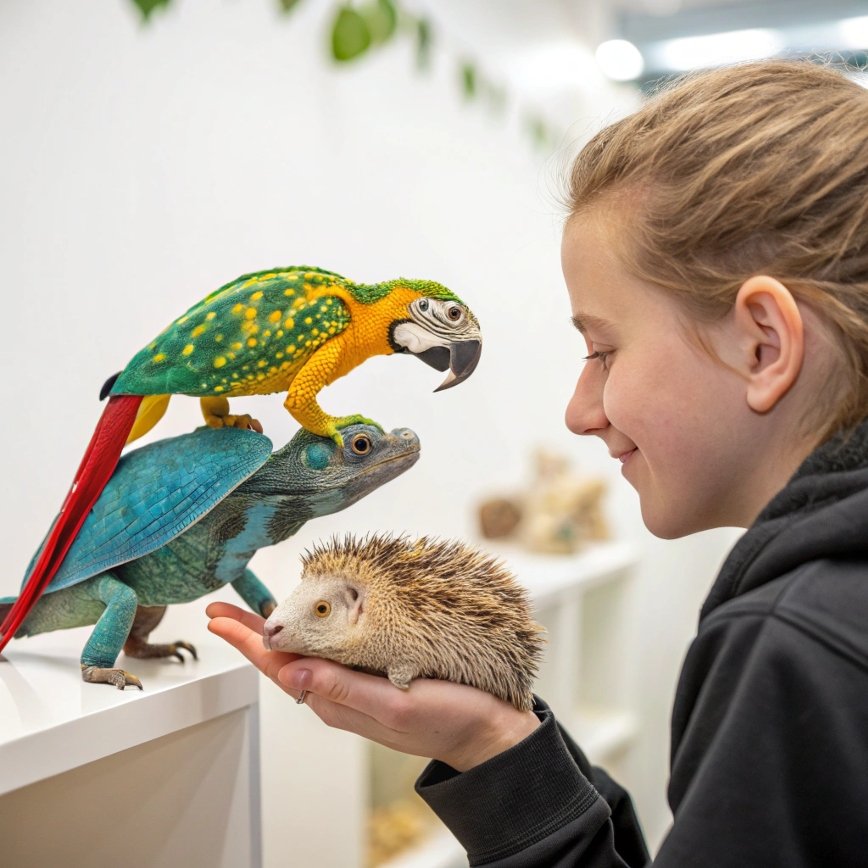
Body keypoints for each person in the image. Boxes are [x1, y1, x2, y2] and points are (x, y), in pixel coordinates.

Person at [206, 59, 868, 866]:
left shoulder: (794, 642)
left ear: (764, 343)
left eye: (603, 349)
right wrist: (493, 744)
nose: (579, 412)